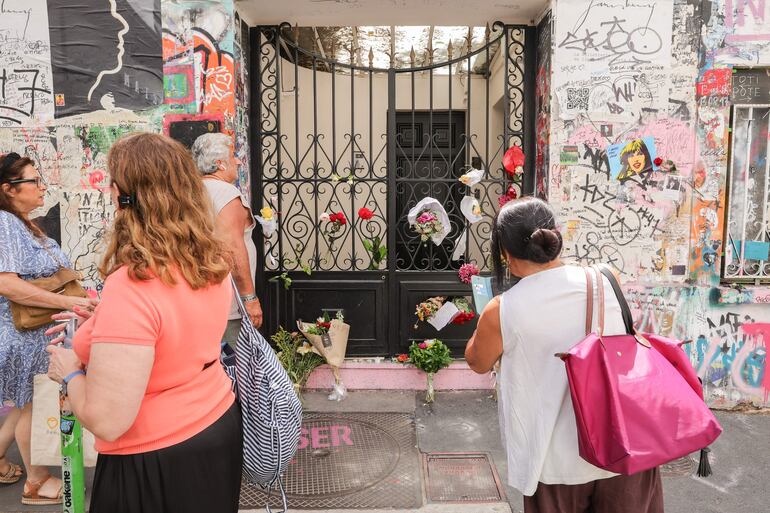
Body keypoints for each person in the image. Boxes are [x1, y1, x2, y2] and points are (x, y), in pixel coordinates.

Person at [45, 133, 243, 513]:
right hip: (216, 423)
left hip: (154, 456)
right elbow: (178, 326)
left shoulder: (133, 284)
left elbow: (108, 419)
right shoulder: (207, 259)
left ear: (123, 195)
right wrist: (106, 320)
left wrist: (70, 372)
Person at [464, 197, 663, 513]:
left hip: (555, 463)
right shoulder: (605, 280)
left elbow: (477, 361)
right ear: (554, 236)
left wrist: (484, 324)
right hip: (624, 447)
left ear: (505, 252)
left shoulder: (504, 309)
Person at [0, 152, 96, 505]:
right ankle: (36, 482)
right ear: (9, 189)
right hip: (23, 333)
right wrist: (69, 303)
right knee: (33, 406)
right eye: (34, 181)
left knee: (27, 402)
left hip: (35, 331)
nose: (43, 187)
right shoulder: (6, 223)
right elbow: (6, 283)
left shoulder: (21, 222)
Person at [191, 132, 262, 346]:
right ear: (221, 164)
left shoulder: (190, 192)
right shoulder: (226, 194)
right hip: (229, 303)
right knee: (237, 364)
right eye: (233, 157)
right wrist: (249, 298)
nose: (238, 161)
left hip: (198, 299)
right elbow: (232, 248)